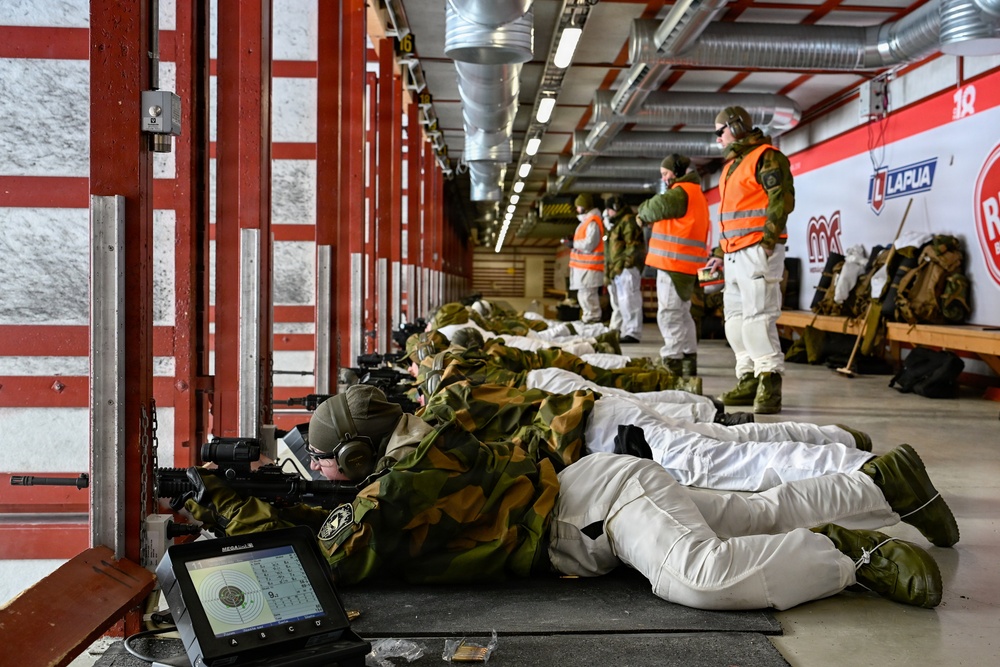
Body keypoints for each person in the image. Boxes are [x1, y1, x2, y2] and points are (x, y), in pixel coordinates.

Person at [187, 384, 955, 612]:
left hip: (597, 505)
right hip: (591, 500)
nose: (320, 475)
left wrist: (236, 505)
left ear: (355, 456)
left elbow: (336, 550)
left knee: (705, 574)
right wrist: (280, 496)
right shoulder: (411, 455)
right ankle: (876, 483)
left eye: (323, 463)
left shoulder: (403, 477)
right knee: (753, 510)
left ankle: (851, 553)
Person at [712, 106, 795, 414]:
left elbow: (781, 199)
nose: (717, 137)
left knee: (758, 317)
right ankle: (747, 377)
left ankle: (769, 380)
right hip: (734, 252)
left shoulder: (766, 156)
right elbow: (730, 217)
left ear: (735, 127)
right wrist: (721, 253)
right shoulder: (733, 165)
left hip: (757, 250)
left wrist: (769, 242)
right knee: (734, 320)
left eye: (720, 130)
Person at [636, 154, 710, 378]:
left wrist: (641, 214)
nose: (665, 179)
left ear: (678, 171)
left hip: (673, 263)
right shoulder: (695, 193)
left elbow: (651, 209)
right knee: (683, 313)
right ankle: (688, 358)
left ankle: (672, 360)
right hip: (685, 265)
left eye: (667, 174)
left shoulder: (680, 193)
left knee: (669, 313)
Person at [603, 194, 646, 344]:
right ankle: (627, 330)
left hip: (628, 268)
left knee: (630, 300)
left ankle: (633, 332)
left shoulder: (627, 220)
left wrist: (624, 265)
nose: (607, 213)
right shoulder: (617, 223)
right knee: (623, 302)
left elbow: (633, 246)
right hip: (620, 269)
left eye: (609, 210)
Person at [569, 193, 606, 324]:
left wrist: (573, 244)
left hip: (590, 267)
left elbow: (590, 243)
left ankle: (593, 320)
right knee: (584, 296)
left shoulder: (592, 222)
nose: (577, 209)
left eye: (579, 206)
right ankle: (589, 319)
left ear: (585, 206)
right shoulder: (586, 222)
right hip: (584, 268)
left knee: (588, 296)